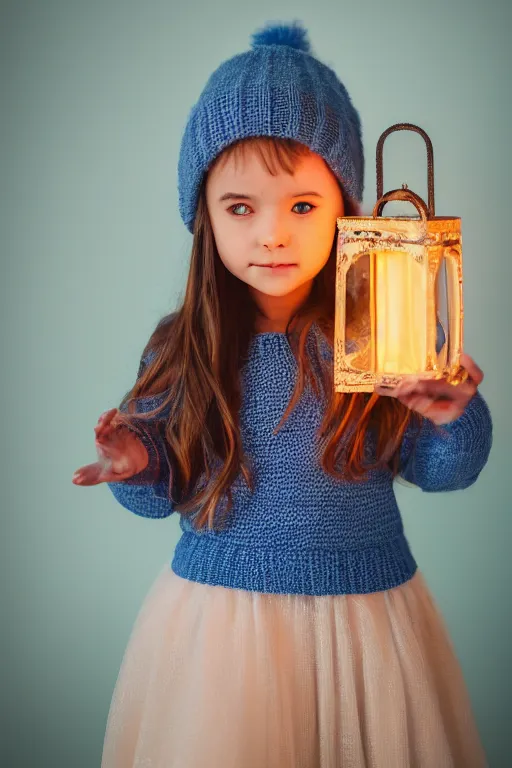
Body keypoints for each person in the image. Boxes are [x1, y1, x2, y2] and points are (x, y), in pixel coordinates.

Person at [72, 21, 493, 768]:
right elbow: (164, 489)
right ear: (205, 214)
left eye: (302, 207)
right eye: (242, 208)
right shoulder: (185, 346)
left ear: (347, 208)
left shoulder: (381, 329)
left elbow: (442, 469)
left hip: (369, 619)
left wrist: (452, 417)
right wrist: (138, 464)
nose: (272, 235)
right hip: (221, 628)